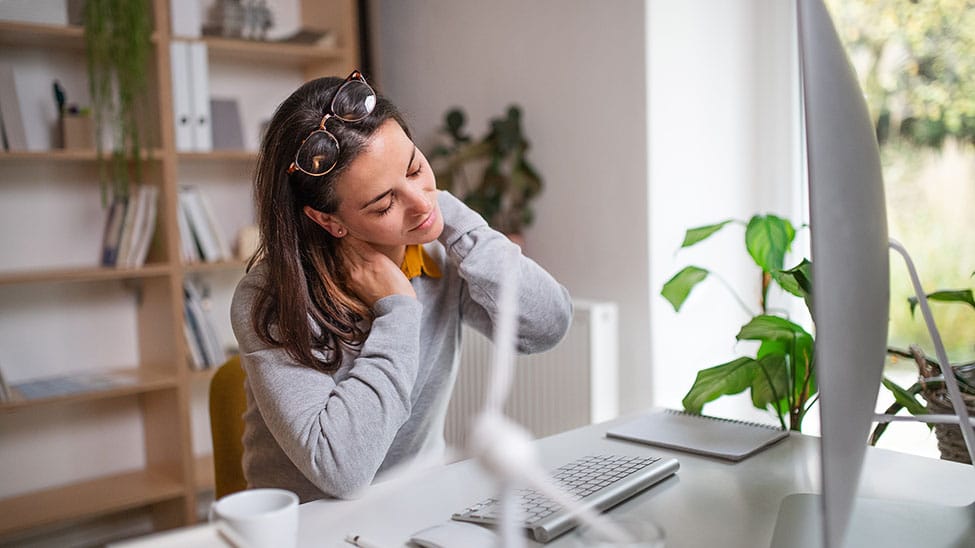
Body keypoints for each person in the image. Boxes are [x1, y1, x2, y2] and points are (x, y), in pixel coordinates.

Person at [230, 70, 573, 502]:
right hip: (312, 524)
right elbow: (343, 470)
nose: (419, 202)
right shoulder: (272, 297)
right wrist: (398, 309)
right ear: (328, 220)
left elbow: (549, 325)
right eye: (384, 202)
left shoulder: (436, 247)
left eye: (414, 167)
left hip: (419, 502)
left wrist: (455, 221)